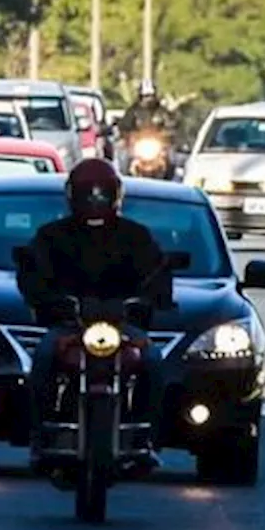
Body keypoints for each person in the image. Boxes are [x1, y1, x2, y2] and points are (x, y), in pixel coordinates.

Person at [16, 158, 171, 464]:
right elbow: (33, 277)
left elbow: (157, 276)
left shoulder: (136, 237)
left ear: (116, 195)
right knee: (44, 358)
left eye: (102, 194)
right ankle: (40, 432)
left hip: (122, 327)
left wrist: (149, 300)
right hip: (70, 325)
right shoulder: (51, 236)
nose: (96, 201)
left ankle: (148, 435)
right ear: (73, 195)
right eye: (89, 194)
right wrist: (52, 302)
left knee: (153, 362)